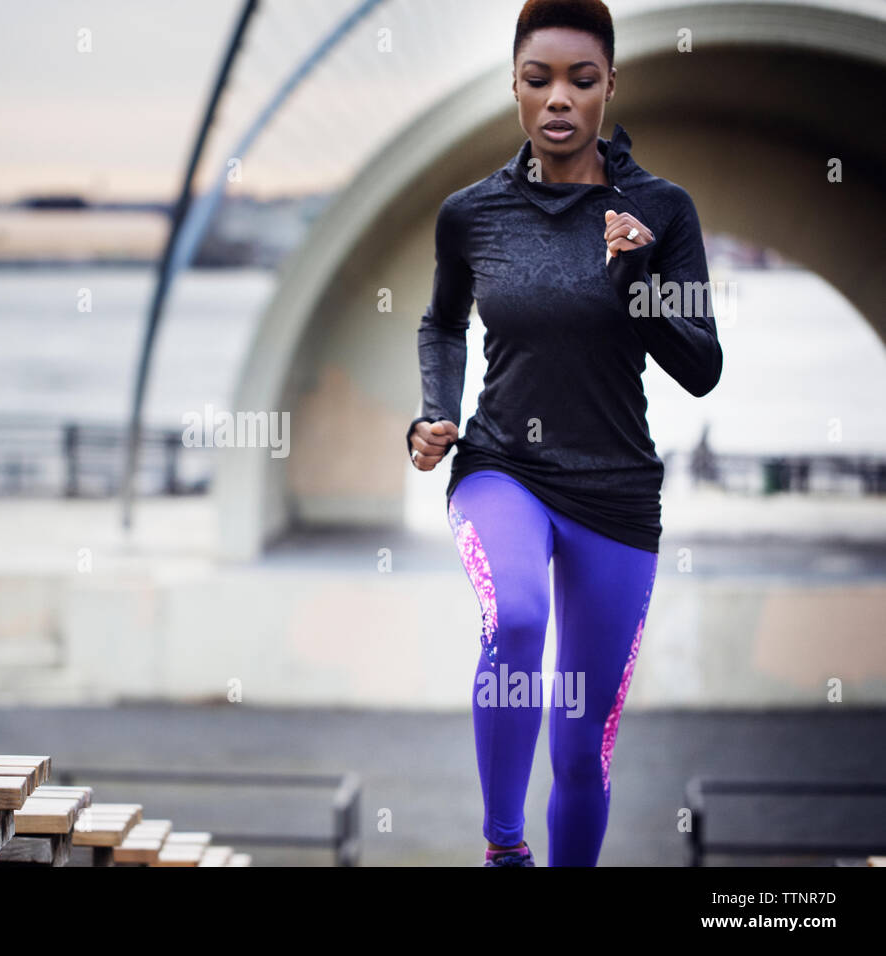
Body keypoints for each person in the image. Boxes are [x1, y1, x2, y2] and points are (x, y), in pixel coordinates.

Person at [406, 0, 722, 866]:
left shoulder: (662, 211)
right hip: (501, 467)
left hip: (616, 493)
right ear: (513, 86)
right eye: (538, 79)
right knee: (515, 614)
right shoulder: (470, 215)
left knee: (582, 752)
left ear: (609, 87)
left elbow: (701, 366)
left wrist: (638, 280)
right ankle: (504, 851)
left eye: (581, 81)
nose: (558, 99)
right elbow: (440, 324)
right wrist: (435, 412)